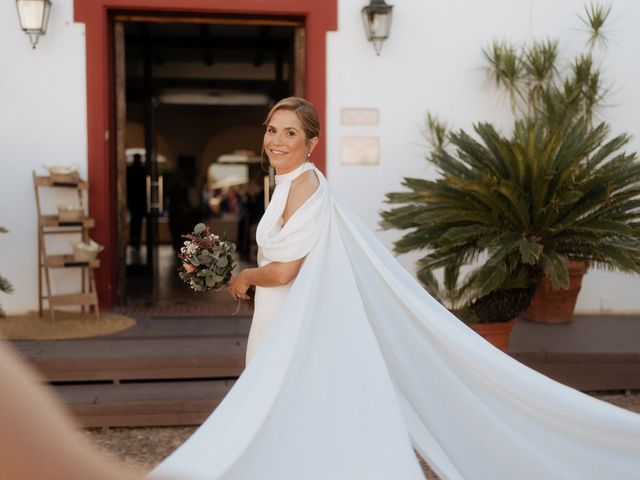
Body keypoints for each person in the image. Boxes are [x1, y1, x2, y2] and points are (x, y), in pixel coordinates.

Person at [149, 98, 640, 480]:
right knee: (283, 404)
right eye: (272, 130)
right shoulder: (285, 183)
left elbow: (284, 271)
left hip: (286, 315)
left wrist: (244, 277)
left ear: (312, 142)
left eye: (290, 132)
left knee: (280, 400)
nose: (277, 140)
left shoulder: (304, 188)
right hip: (279, 313)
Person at [127, 153, 147, 248]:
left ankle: (134, 239)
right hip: (138, 200)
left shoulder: (130, 170)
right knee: (137, 221)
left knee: (135, 220)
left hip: (134, 200)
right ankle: (135, 239)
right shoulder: (142, 170)